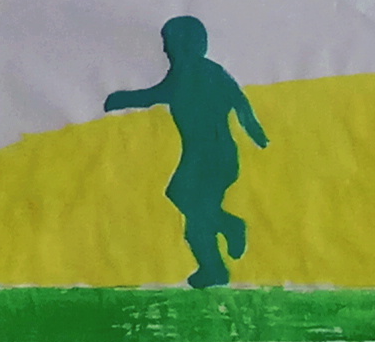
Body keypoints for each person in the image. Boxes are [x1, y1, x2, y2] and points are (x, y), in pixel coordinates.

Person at [107, 15, 267, 287]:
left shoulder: (198, 74)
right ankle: (215, 267)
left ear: (185, 45)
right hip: (205, 156)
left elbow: (239, 103)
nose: (164, 50)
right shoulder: (196, 73)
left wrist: (258, 135)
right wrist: (121, 99)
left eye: (168, 43)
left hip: (213, 158)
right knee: (191, 210)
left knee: (190, 207)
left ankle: (227, 231)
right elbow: (239, 102)